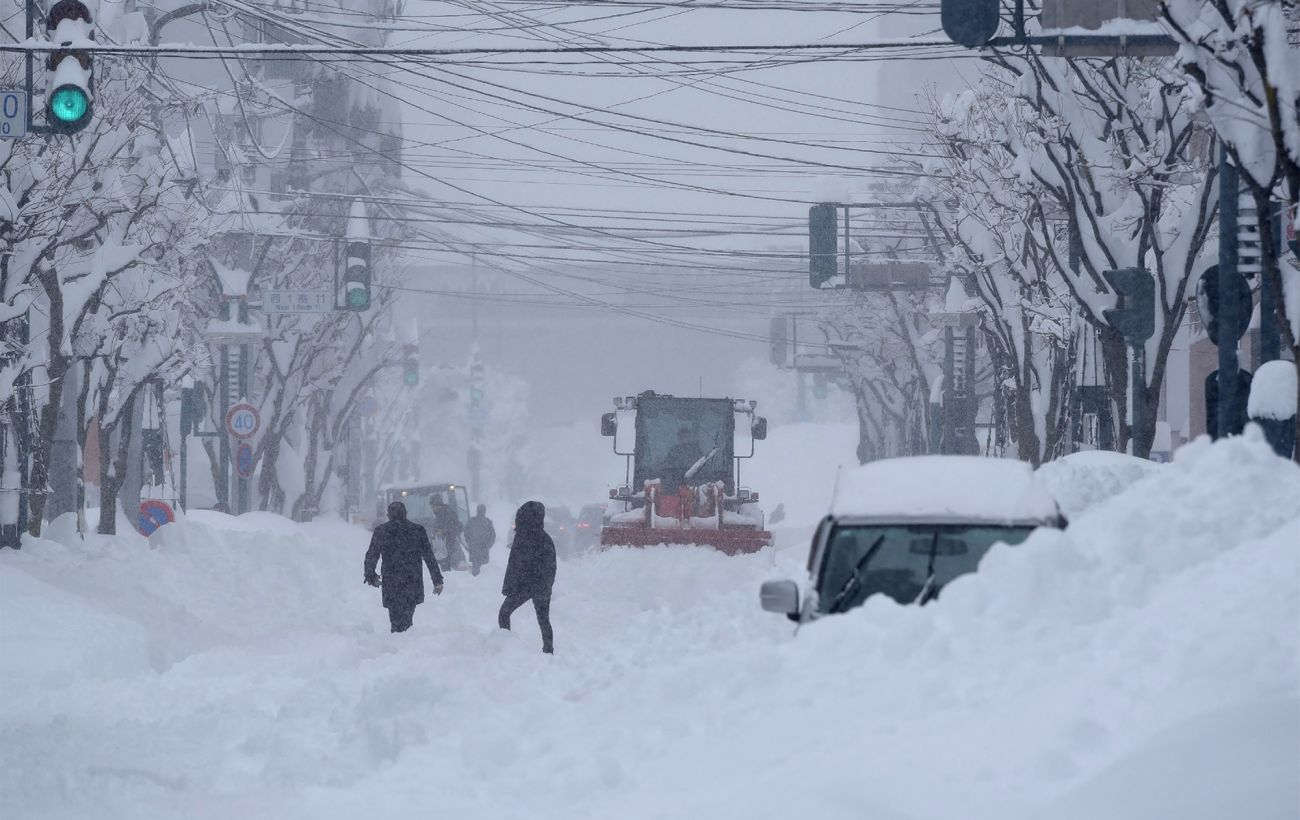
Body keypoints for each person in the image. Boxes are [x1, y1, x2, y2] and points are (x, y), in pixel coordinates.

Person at [364, 501, 444, 633]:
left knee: (394, 615)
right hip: (412, 581)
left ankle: (397, 635)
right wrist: (437, 580)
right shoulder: (418, 530)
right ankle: (405, 638)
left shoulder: (381, 531)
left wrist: (370, 576)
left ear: (388, 515)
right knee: (408, 615)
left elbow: (372, 555)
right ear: (406, 514)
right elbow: (429, 557)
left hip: (391, 581)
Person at [498, 500, 556, 654]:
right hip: (539, 586)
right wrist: (546, 586)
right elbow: (551, 568)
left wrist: (511, 587)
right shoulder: (545, 539)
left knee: (504, 613)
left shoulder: (522, 538)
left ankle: (506, 647)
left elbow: (514, 566)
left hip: (523, 587)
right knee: (543, 619)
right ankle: (548, 651)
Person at [660, 426, 703, 490]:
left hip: (695, 483)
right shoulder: (674, 451)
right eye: (683, 437)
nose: (685, 439)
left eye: (687, 437)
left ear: (690, 438)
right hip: (674, 483)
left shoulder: (696, 451)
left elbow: (703, 466)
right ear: (679, 438)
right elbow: (666, 466)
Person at [429, 496, 465, 571]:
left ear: (437, 505)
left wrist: (443, 531)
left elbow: (458, 527)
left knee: (447, 572)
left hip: (449, 548)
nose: (432, 508)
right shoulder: (439, 514)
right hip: (443, 549)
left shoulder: (447, 513)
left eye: (433, 506)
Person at [463, 504, 496, 576]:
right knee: (484, 571)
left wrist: (470, 543)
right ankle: (480, 583)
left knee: (476, 568)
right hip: (482, 550)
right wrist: (488, 545)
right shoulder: (488, 522)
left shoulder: (471, 521)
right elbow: (493, 536)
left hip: (475, 550)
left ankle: (476, 582)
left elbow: (466, 534)